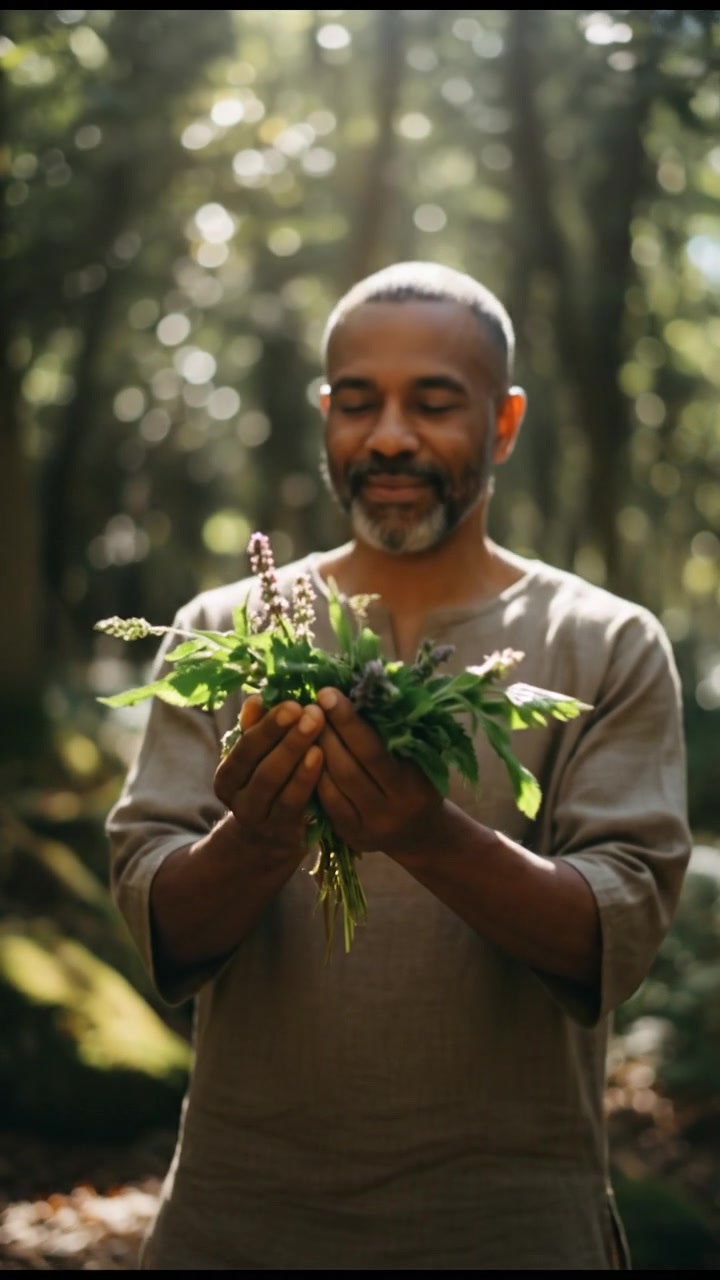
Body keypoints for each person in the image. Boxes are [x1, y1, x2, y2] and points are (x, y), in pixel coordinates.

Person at [107, 261, 691, 1270]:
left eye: (433, 403)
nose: (388, 435)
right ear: (324, 415)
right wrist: (258, 833)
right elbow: (160, 923)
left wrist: (427, 832)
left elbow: (616, 935)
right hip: (240, 1221)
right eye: (356, 400)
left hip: (511, 1226)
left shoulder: (603, 644)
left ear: (503, 424)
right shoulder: (217, 634)